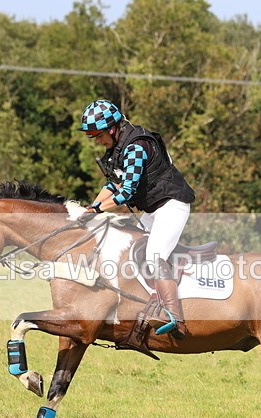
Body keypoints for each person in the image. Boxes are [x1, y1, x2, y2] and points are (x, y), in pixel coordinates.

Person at [79, 99, 195, 339]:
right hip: (154, 210)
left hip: (172, 205)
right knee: (129, 248)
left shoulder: (136, 146)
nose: (98, 141)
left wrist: (97, 211)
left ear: (112, 129)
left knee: (154, 255)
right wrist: (91, 207)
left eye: (99, 135)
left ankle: (174, 316)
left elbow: (126, 192)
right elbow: (112, 185)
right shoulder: (117, 149)